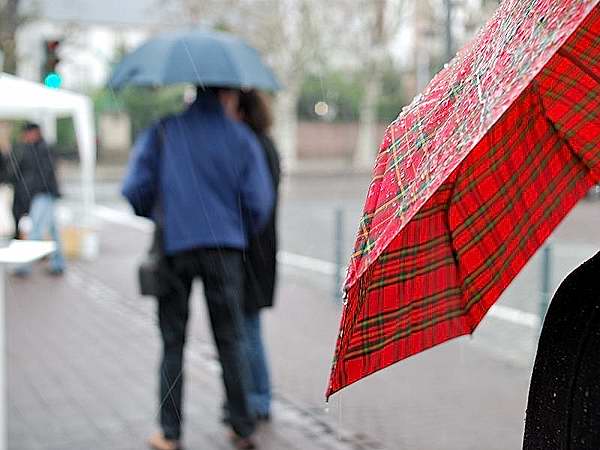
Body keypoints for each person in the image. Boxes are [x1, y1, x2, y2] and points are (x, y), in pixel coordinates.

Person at [122, 87, 274, 450]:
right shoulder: (240, 137)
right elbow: (259, 201)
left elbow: (134, 189)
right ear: (225, 93)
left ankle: (169, 433)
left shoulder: (164, 131)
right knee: (231, 339)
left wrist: (162, 213)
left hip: (176, 243)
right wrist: (234, 228)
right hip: (225, 249)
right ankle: (241, 426)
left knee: (173, 341)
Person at [236, 90, 280, 421]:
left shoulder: (251, 147)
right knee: (248, 327)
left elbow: (252, 204)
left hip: (251, 252)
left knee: (248, 329)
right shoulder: (267, 145)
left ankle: (259, 398)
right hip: (263, 251)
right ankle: (255, 396)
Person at [7, 122, 65, 275]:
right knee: (53, 231)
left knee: (36, 231)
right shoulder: (41, 148)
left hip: (43, 194)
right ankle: (58, 264)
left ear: (34, 133)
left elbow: (42, 174)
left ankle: (24, 267)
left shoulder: (42, 149)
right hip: (44, 193)